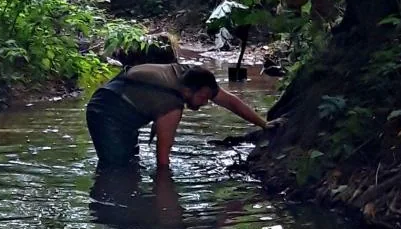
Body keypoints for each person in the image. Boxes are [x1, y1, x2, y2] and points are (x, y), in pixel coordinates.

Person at [85, 63, 269, 169]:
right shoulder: (171, 104)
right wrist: (165, 184)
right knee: (117, 167)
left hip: (124, 107)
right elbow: (162, 157)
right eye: (203, 98)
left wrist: (264, 124)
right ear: (187, 91)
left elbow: (231, 102)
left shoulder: (191, 76)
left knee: (130, 161)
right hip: (105, 113)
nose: (205, 103)